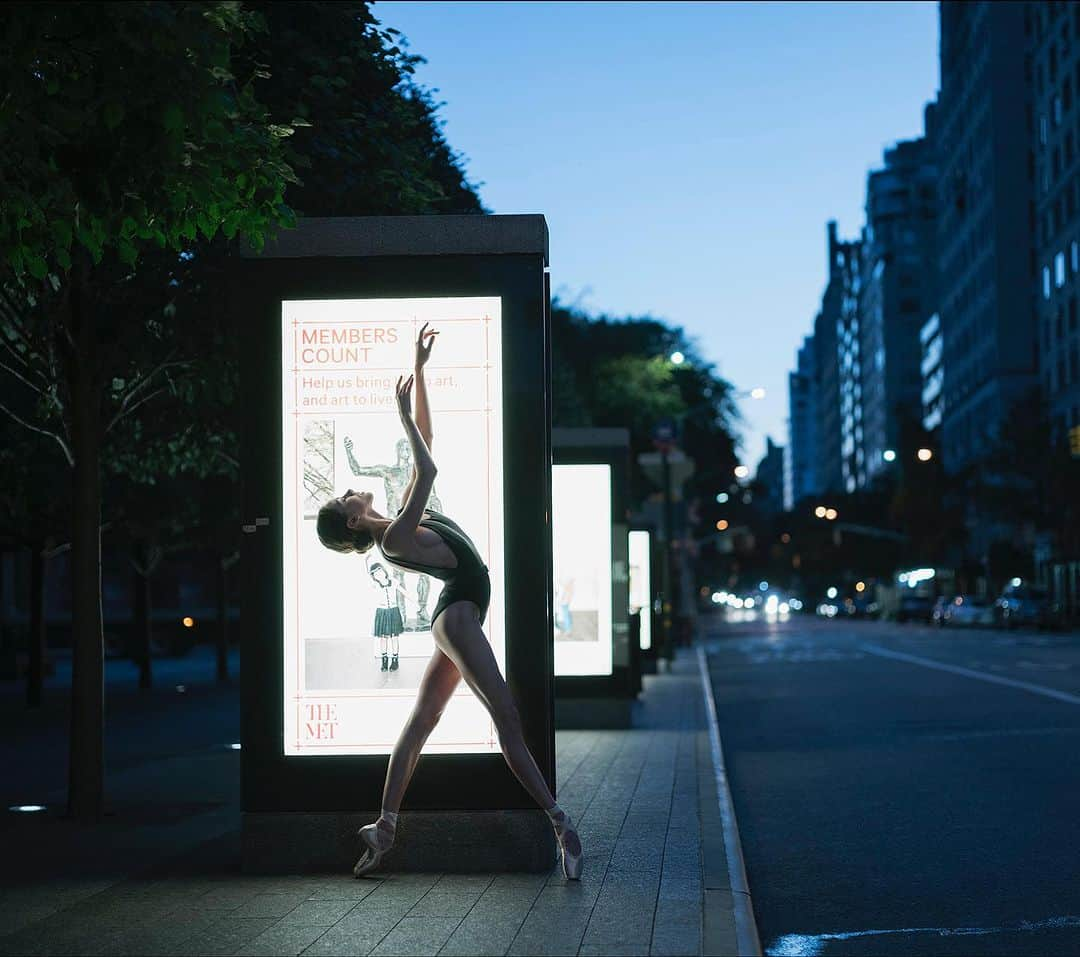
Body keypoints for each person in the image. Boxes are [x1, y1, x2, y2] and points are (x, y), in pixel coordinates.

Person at [316, 322, 583, 880]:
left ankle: (385, 827)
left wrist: (420, 371)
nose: (350, 489)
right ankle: (558, 821)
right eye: (344, 497)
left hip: (456, 616)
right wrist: (402, 418)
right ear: (349, 519)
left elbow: (427, 452)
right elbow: (428, 466)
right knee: (504, 716)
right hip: (457, 617)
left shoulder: (395, 520)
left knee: (421, 721)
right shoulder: (391, 538)